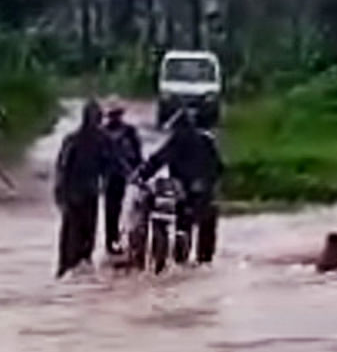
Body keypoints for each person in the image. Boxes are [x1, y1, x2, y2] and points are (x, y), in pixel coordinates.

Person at [136, 107, 225, 264]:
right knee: (205, 230)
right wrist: (209, 184)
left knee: (183, 226)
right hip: (204, 192)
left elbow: (157, 161)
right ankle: (203, 262)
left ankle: (181, 259)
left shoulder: (177, 141)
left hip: (185, 191)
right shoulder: (207, 140)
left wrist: (140, 176)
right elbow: (219, 167)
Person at [53, 99, 109, 277]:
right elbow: (62, 167)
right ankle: (68, 269)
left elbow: (112, 164)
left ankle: (74, 270)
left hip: (87, 193)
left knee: (83, 236)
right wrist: (60, 192)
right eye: (95, 117)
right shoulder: (74, 140)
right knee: (73, 236)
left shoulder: (100, 140)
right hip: (75, 194)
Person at [101, 100, 143, 255]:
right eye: (112, 115)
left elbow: (138, 155)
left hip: (128, 177)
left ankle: (128, 241)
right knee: (111, 211)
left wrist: (138, 173)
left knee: (131, 211)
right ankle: (111, 241)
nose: (114, 118)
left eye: (117, 114)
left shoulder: (130, 132)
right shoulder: (103, 132)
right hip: (111, 177)